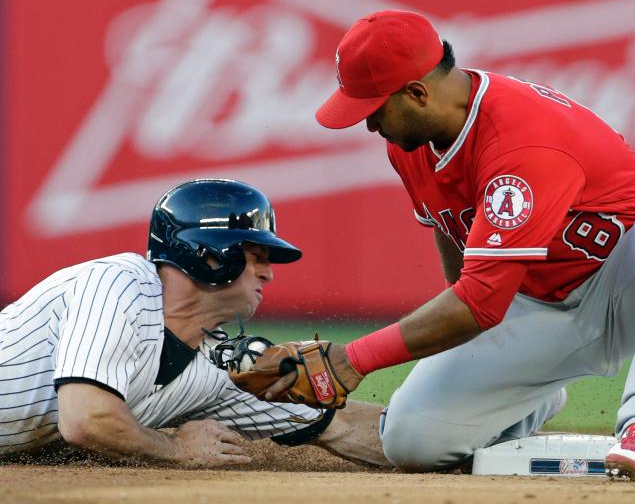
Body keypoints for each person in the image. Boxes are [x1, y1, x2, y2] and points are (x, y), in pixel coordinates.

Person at [274, 10, 635, 481]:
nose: (368, 125)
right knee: (410, 440)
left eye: (374, 109)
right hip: (533, 304)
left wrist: (354, 359)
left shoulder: (521, 141)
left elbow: (481, 303)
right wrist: (480, 355)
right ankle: (530, 395)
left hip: (624, 282)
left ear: (418, 93)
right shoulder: (410, 142)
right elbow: (454, 244)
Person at [0, 179, 386, 467]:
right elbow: (85, 419)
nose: (268, 274)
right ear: (210, 256)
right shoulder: (117, 285)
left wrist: (434, 434)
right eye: (257, 256)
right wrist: (175, 449)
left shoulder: (221, 369)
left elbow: (344, 426)